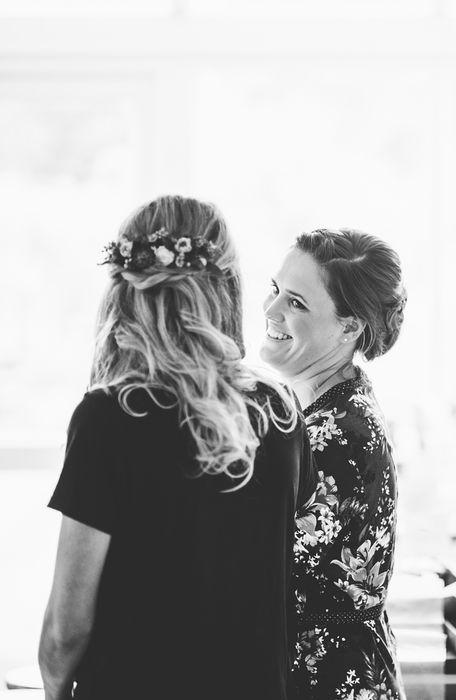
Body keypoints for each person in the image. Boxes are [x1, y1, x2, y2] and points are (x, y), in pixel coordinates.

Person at [38, 195, 314, 700]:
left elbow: (66, 630)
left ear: (124, 290)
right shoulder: (279, 410)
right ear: (225, 288)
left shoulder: (111, 415)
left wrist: (56, 689)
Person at [260, 228, 407, 700]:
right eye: (275, 290)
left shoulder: (337, 434)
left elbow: (258, 562)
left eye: (296, 303)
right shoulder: (332, 408)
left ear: (349, 327)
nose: (271, 310)